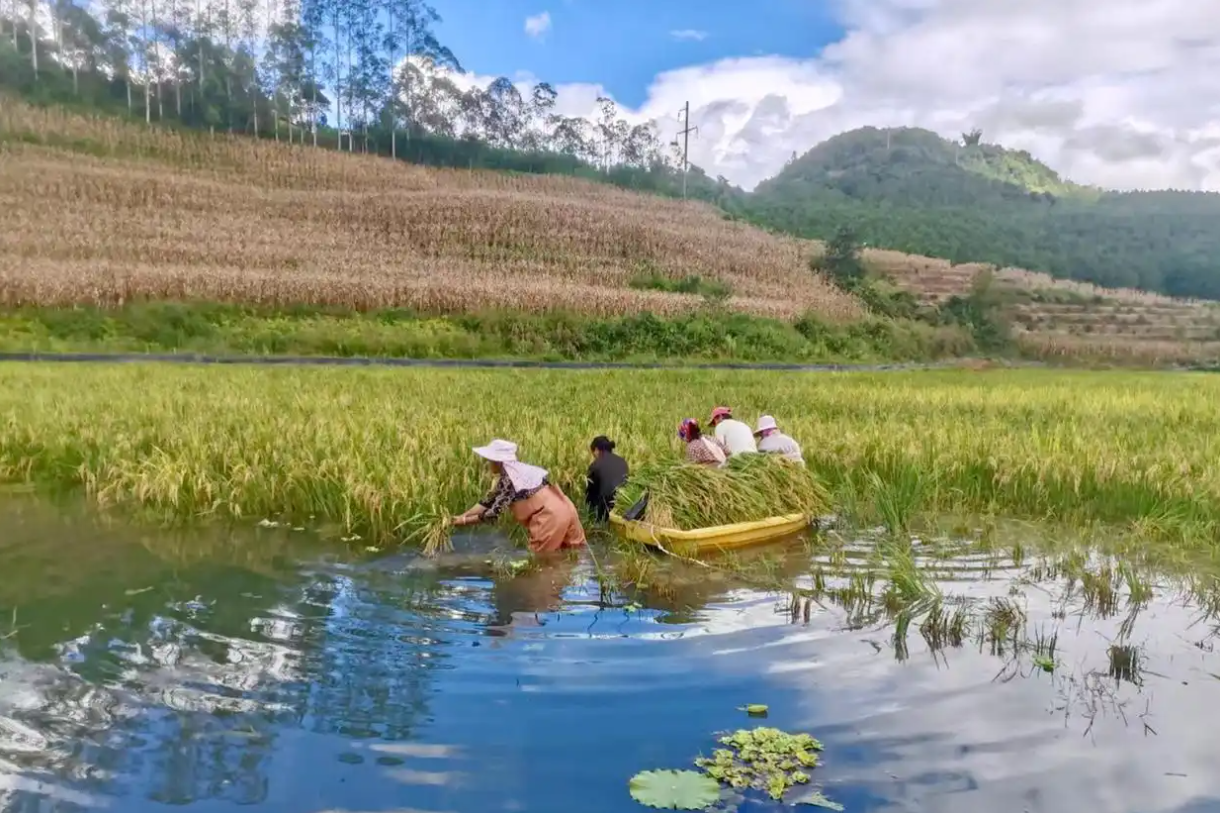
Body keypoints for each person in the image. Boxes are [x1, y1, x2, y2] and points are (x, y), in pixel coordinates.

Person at [452, 439, 586, 554]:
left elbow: (491, 514)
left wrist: (462, 522)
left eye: (490, 460)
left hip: (550, 517)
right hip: (567, 508)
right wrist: (462, 516)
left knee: (540, 561)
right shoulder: (521, 471)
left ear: (498, 461)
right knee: (575, 553)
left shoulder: (508, 480)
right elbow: (487, 503)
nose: (489, 464)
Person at [585, 435, 629, 522]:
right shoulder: (622, 462)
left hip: (604, 512)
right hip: (622, 507)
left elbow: (590, 494)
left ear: (596, 450)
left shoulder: (595, 466)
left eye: (593, 452)